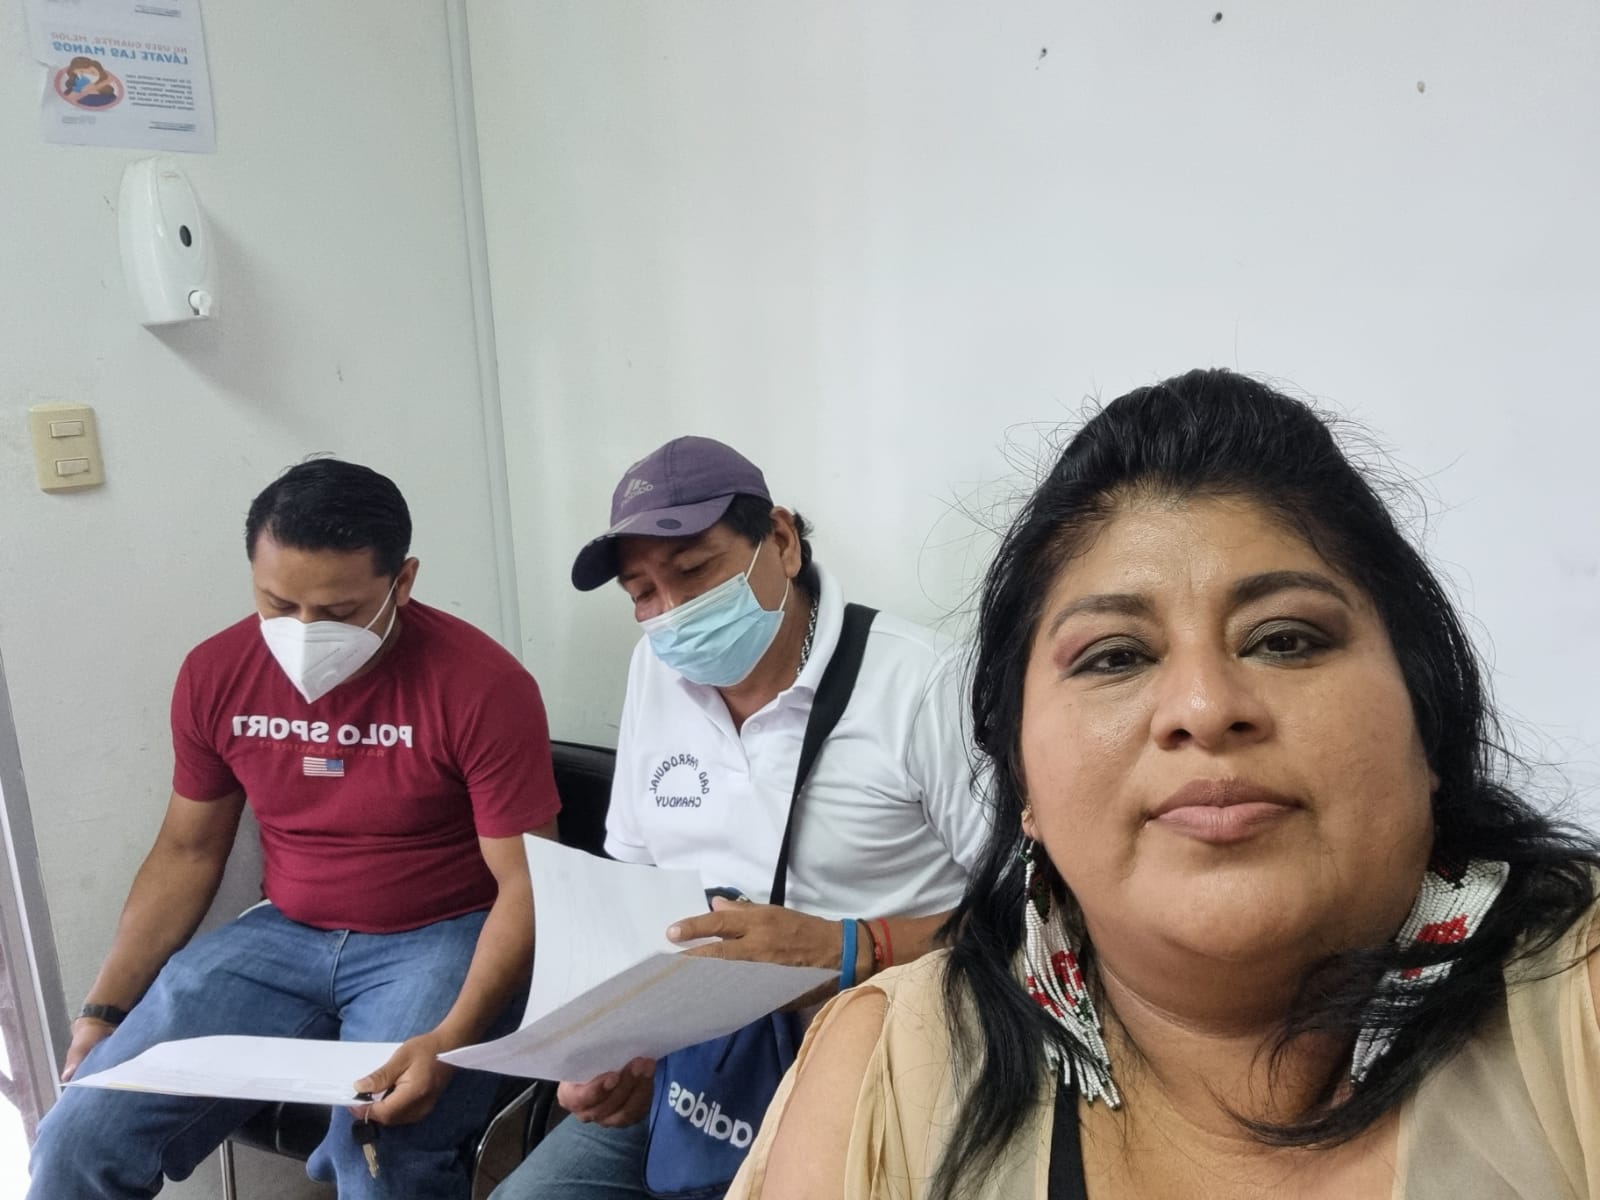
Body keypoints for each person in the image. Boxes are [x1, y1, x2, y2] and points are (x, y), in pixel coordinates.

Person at [731, 369, 1600, 1199]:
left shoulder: (1577, 1008)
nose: (1205, 708)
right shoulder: (885, 1079)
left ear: (1427, 714)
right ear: (1022, 778)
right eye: (1116, 657)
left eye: (1285, 639)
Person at [28, 458, 562, 1198]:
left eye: (339, 611)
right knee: (78, 1136)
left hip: (440, 934)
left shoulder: (482, 685)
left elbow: (528, 884)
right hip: (284, 932)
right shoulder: (217, 673)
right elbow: (187, 852)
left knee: (379, 1153)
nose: (305, 632)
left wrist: (448, 1040)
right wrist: (103, 1009)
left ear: (403, 582)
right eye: (278, 603)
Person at [491, 435, 987, 1200]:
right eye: (642, 593)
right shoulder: (654, 670)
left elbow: (1040, 911)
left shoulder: (922, 685)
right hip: (695, 1059)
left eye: (694, 570)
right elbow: (634, 886)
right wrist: (620, 1046)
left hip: (886, 1048)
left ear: (781, 541)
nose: (672, 613)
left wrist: (849, 947)